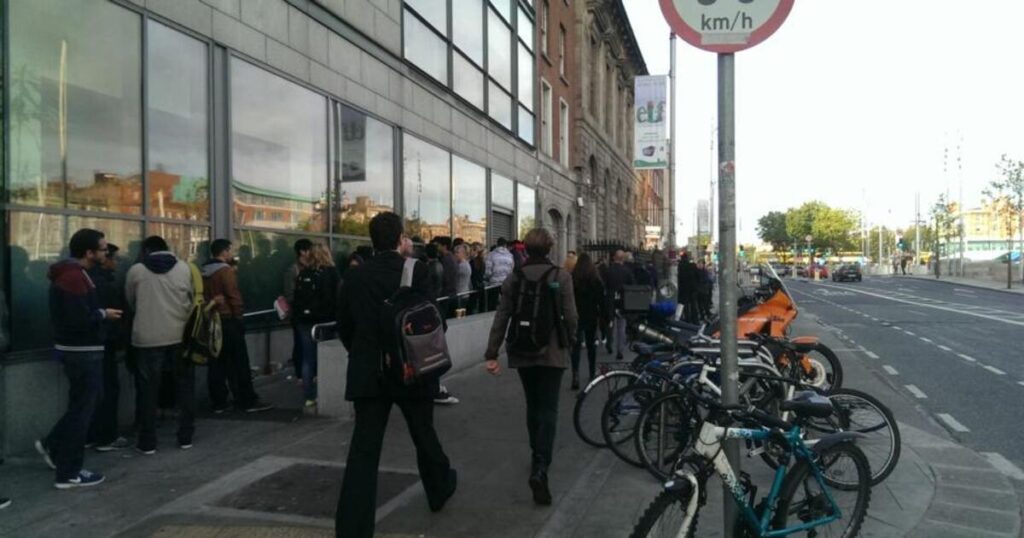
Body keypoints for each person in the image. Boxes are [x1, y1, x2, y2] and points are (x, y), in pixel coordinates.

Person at [335, 212, 458, 537]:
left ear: (371, 240)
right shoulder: (415, 270)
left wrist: (362, 354)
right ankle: (439, 488)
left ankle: (352, 529)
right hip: (411, 369)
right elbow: (434, 319)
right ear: (400, 237)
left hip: (368, 373)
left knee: (363, 452)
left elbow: (344, 326)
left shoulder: (355, 277)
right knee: (423, 433)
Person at [485, 228, 578, 505]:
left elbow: (502, 316)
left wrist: (492, 352)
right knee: (549, 408)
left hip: (522, 350)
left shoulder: (515, 278)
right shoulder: (561, 276)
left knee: (533, 404)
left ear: (525, 248)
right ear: (549, 248)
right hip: (552, 352)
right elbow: (571, 316)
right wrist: (570, 340)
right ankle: (541, 465)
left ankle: (534, 453)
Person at [36, 229, 121, 489]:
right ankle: (68, 471)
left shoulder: (74, 274)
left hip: (81, 351)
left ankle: (55, 447)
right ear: (89, 252)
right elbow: (77, 317)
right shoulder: (73, 277)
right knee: (83, 410)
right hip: (81, 352)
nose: (107, 253)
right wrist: (102, 314)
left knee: (82, 406)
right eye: (103, 248)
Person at [124, 236, 195, 454]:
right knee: (184, 387)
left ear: (146, 250)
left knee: (147, 390)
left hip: (147, 338)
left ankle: (147, 442)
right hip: (179, 336)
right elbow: (191, 299)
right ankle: (185, 437)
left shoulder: (136, 271)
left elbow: (130, 301)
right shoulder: (184, 268)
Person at [203, 239, 273, 414]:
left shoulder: (203, 270)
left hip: (212, 320)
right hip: (229, 319)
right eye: (230, 250)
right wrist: (239, 316)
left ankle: (219, 401)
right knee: (239, 362)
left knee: (217, 363)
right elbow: (233, 295)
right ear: (224, 252)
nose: (231, 254)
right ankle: (246, 399)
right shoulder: (225, 272)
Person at [86, 243, 131, 452]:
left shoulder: (88, 279)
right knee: (108, 389)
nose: (117, 262)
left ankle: (91, 435)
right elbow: (117, 317)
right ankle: (105, 436)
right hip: (105, 343)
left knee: (91, 392)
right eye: (112, 256)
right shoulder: (104, 284)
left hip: (89, 344)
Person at [292, 243, 340, 408]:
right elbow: (338, 297)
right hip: (325, 321)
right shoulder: (332, 273)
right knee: (327, 357)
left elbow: (296, 297)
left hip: (304, 321)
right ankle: (330, 393)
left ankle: (309, 397)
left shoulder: (303, 273)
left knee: (308, 358)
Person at [570, 253, 605, 390]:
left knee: (576, 346)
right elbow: (600, 299)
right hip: (591, 315)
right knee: (591, 345)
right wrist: (603, 316)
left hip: (577, 315)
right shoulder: (595, 279)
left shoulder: (573, 278)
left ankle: (575, 375)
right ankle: (591, 373)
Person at [287, 239, 313, 383]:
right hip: (299, 314)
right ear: (302, 252)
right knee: (300, 344)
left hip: (312, 314)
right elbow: (290, 294)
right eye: (310, 249)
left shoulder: (313, 268)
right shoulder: (293, 270)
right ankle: (300, 374)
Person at [604, 250, 635, 360]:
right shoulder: (627, 271)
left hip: (610, 299)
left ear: (614, 258)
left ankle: (609, 342)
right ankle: (620, 349)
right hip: (622, 301)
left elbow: (605, 285)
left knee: (610, 322)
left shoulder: (608, 270)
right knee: (621, 325)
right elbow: (632, 285)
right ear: (622, 259)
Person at [677, 253, 700, 324]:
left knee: (684, 305)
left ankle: (687, 319)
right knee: (693, 304)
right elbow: (698, 277)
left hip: (683, 288)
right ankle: (695, 320)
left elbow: (679, 278)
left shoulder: (680, 266)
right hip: (692, 288)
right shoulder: (692, 265)